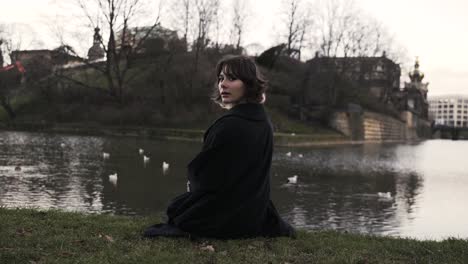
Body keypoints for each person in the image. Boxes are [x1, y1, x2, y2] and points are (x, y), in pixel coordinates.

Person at [143, 55, 295, 239]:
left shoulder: (228, 124)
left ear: (248, 84)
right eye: (221, 78)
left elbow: (205, 177)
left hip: (228, 219)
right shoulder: (264, 122)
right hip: (254, 214)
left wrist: (194, 184)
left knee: (176, 208)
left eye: (231, 79)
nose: (222, 84)